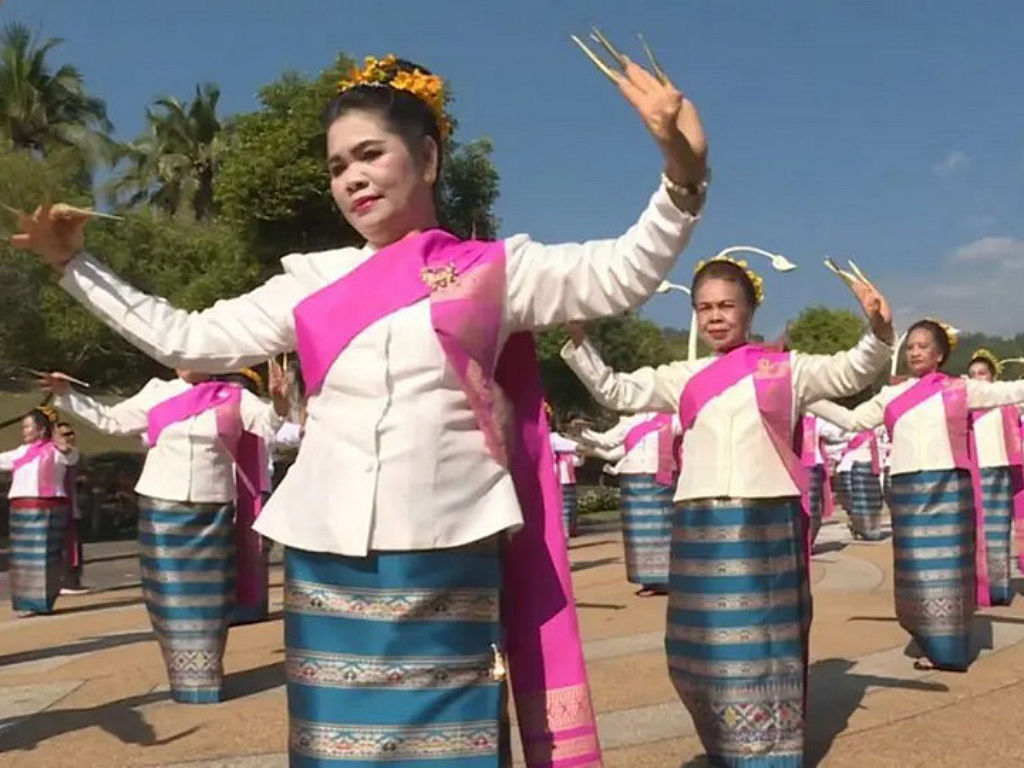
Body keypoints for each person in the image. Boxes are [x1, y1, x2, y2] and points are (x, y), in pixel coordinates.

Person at [11, 47, 707, 767]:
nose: (352, 178)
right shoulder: (310, 281)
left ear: (428, 158)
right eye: (338, 166)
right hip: (325, 556)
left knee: (451, 748)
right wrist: (73, 265)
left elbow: (623, 272)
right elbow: (186, 337)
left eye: (371, 154)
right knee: (337, 750)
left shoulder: (494, 270)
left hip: (448, 545)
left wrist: (681, 177)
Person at [561, 255, 893, 767]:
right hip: (699, 523)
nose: (715, 317)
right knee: (700, 648)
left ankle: (770, 754)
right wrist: (580, 340)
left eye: (726, 306)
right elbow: (615, 390)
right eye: (704, 308)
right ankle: (726, 742)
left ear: (750, 309)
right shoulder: (682, 376)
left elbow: (850, 371)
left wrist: (878, 330)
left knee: (766, 641)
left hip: (765, 520)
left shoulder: (786, 368)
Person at [41, 367, 287, 702]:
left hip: (213, 506)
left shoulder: (234, 396)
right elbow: (112, 421)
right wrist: (67, 395)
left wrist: (279, 401)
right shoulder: (157, 391)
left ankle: (206, 679)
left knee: (211, 598)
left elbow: (267, 425)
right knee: (169, 597)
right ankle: (182, 679)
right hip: (161, 505)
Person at [810, 321, 1024, 671]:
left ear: (939, 354)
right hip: (908, 493)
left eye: (923, 346)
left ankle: (950, 652)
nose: (915, 352)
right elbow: (852, 420)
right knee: (917, 573)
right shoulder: (891, 395)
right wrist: (808, 396)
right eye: (910, 346)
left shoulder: (960, 389)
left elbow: (1011, 391)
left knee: (950, 572)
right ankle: (929, 640)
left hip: (949, 492)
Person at [578, 412, 680, 595]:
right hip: (633, 480)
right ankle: (648, 580)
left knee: (662, 529)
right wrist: (583, 432)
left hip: (660, 480)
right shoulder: (631, 422)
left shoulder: (674, 418)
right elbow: (607, 442)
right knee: (637, 534)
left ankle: (666, 578)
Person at [0, 407, 79, 615]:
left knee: (45, 557)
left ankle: (42, 602)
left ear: (41, 430)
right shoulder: (21, 452)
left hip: (49, 510)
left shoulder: (57, 451)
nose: (24, 431)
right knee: (22, 559)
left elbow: (72, 457)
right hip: (21, 511)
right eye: (23, 427)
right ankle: (25, 602)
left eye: (28, 427)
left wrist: (65, 448)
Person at [965, 348, 1021, 605]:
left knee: (998, 532)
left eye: (982, 373)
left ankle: (998, 588)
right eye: (973, 374)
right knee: (975, 533)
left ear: (992, 376)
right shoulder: (964, 406)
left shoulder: (1005, 404)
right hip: (972, 474)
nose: (977, 378)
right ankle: (978, 587)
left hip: (999, 471)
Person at [56, 420, 88, 594]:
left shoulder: (76, 455)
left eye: (71, 433)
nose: (69, 438)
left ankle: (72, 580)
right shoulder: (52, 455)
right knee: (64, 545)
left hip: (73, 508)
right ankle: (65, 581)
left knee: (74, 544)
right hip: (58, 507)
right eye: (64, 435)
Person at [549, 426, 585, 538]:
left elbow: (578, 461)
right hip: (559, 481)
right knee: (564, 509)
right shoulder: (552, 439)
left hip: (568, 481)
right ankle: (564, 534)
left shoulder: (567, 453)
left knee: (569, 508)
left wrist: (581, 453)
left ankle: (569, 531)